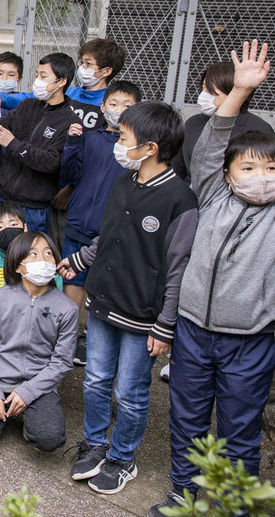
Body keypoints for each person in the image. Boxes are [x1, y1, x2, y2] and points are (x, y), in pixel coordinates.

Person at [149, 40, 275, 517]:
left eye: (270, 168)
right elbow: (211, 144)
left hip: (250, 340)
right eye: (248, 167)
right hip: (193, 333)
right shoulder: (213, 196)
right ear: (226, 175)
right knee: (186, 420)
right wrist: (238, 91)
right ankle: (184, 493)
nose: (260, 176)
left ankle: (231, 506)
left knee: (240, 431)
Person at [59, 101, 198, 496]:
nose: (118, 144)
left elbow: (177, 269)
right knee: (95, 380)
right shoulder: (124, 182)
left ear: (150, 147)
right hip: (103, 302)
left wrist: (166, 326)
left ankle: (122, 458)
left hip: (144, 317)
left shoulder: (180, 200)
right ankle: (96, 443)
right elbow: (108, 237)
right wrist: (78, 260)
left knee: (131, 393)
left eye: (123, 137)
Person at [0, 232, 78, 454]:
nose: (43, 260)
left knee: (50, 439)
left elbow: (61, 362)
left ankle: (24, 414)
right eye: (33, 254)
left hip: (39, 385)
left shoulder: (67, 308)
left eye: (48, 254)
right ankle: (5, 410)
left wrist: (28, 392)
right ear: (17, 266)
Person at [59, 80, 141, 366]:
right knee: (73, 279)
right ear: (102, 106)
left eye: (127, 106)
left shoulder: (136, 150)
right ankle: (67, 335)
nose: (118, 111)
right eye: (113, 104)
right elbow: (69, 174)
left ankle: (93, 337)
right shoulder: (90, 137)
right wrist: (71, 141)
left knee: (103, 283)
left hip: (112, 228)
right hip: (80, 220)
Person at [0, 52, 78, 233]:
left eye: (43, 76)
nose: (37, 80)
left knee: (26, 256)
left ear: (62, 82)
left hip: (34, 209)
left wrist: (14, 144)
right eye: (37, 75)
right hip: (4, 200)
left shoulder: (69, 120)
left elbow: (52, 162)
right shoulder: (27, 106)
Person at [170, 59, 273, 184]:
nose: (203, 96)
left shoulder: (259, 128)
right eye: (203, 89)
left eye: (213, 93)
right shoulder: (193, 123)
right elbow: (178, 169)